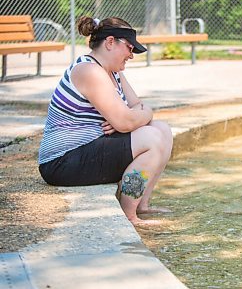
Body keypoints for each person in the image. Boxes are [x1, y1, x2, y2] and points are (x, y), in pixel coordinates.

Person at [38, 15, 173, 225]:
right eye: (129, 47)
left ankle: (142, 205)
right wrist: (134, 117)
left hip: (86, 149)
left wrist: (138, 115)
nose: (131, 55)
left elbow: (137, 106)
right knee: (152, 138)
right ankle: (129, 215)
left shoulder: (113, 72)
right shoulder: (88, 70)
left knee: (162, 129)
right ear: (110, 42)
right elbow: (127, 120)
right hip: (61, 161)